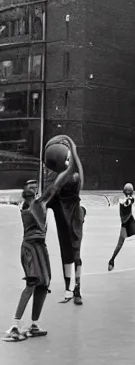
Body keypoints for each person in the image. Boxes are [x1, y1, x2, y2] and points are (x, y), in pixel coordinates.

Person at [4, 182, 51, 342]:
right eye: (30, 187)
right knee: (32, 283)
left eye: (35, 186)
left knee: (44, 284)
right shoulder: (29, 207)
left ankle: (34, 325)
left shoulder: (38, 205)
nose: (34, 188)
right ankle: (15, 326)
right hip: (30, 248)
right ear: (26, 192)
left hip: (40, 247)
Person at [45, 133, 86, 306]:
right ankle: (72, 288)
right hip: (70, 222)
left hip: (73, 222)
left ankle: (74, 289)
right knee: (70, 257)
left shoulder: (66, 182)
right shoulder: (64, 183)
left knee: (72, 257)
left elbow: (44, 204)